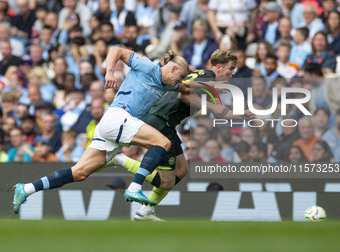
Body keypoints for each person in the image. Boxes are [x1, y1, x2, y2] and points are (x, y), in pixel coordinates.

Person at [13, 46, 189, 213]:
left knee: (79, 172)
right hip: (119, 117)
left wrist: (212, 87)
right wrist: (110, 72)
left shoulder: (169, 84)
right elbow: (116, 50)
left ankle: (27, 188)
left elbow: (186, 87)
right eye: (179, 76)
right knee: (163, 142)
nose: (179, 81)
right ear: (172, 68)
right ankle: (135, 187)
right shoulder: (147, 66)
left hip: (113, 126)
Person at [110, 49, 254, 221]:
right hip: (161, 120)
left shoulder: (208, 81)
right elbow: (183, 96)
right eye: (231, 68)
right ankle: (120, 159)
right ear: (219, 67)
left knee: (182, 169)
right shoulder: (207, 76)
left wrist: (241, 115)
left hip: (167, 123)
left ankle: (146, 211)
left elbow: (219, 113)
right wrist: (212, 106)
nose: (233, 72)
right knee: (166, 181)